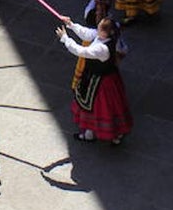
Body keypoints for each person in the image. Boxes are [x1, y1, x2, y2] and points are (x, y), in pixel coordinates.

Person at [55, 17, 132, 145]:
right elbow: (86, 33)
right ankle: (99, 134)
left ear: (104, 32)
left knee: (100, 107)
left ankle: (103, 133)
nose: (96, 29)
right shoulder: (106, 37)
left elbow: (81, 51)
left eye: (99, 28)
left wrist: (65, 39)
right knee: (105, 107)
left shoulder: (102, 49)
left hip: (100, 82)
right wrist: (70, 24)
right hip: (100, 78)